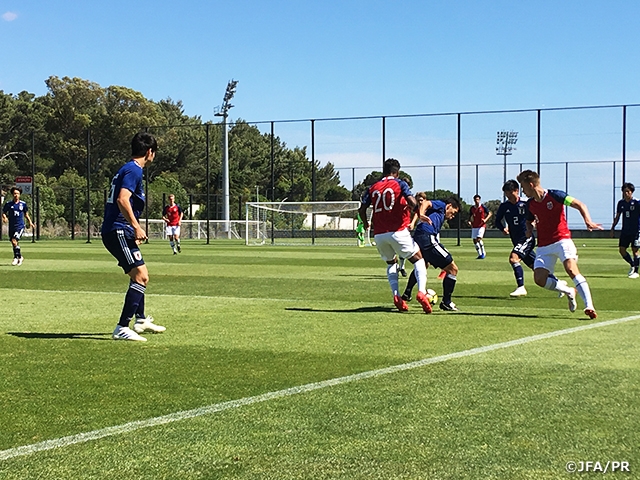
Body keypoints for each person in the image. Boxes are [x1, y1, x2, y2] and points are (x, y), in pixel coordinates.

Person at [101, 132, 166, 341]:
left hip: (120, 229)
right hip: (117, 229)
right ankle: (122, 327)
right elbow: (122, 199)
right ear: (149, 152)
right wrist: (135, 227)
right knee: (141, 276)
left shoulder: (127, 169)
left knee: (140, 275)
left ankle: (140, 319)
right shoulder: (134, 170)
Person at [516, 170, 602, 319]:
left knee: (571, 269)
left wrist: (588, 221)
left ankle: (589, 305)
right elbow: (529, 220)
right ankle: (569, 291)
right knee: (539, 279)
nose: (522, 190)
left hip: (562, 240)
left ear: (531, 184)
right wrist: (529, 229)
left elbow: (579, 204)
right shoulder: (530, 204)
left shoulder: (556, 195)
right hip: (544, 246)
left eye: (523, 187)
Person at [358, 158, 433, 314]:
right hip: (398, 231)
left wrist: (366, 224)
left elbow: (361, 209)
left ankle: (396, 295)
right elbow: (412, 202)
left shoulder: (373, 187)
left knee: (391, 263)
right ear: (397, 172)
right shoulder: (400, 184)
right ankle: (421, 291)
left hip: (379, 234)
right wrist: (419, 214)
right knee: (418, 259)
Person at [494, 180, 565, 297]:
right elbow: (497, 221)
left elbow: (536, 215)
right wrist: (503, 228)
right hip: (516, 240)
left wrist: (534, 226)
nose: (509, 197)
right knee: (536, 267)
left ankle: (521, 287)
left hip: (526, 238)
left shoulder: (526, 203)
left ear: (516, 191)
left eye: (510, 194)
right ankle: (560, 285)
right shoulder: (504, 206)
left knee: (513, 259)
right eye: (507, 195)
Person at [401, 195, 461, 311]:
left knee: (422, 265)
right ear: (449, 206)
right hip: (427, 237)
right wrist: (421, 214)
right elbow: (426, 203)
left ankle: (407, 294)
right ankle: (446, 302)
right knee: (453, 269)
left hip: (420, 236)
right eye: (453, 213)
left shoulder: (440, 215)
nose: (452, 216)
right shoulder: (442, 205)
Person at [610, 182, 640, 278]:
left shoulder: (637, 202)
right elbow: (617, 216)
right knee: (622, 250)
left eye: (628, 192)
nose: (626, 193)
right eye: (624, 192)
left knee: (635, 250)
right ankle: (632, 264)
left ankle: (636, 271)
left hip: (636, 230)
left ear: (632, 192)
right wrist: (613, 228)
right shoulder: (621, 203)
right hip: (625, 230)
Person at [2, 186, 35, 266]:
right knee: (14, 243)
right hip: (12, 226)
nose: (16, 195)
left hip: (20, 226)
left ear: (20, 194)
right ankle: (18, 257)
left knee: (14, 240)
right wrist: (5, 217)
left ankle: (17, 257)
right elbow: (3, 212)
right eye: (14, 193)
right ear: (12, 194)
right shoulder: (8, 204)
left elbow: (26, 214)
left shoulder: (23, 204)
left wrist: (30, 222)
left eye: (17, 193)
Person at [468, 194, 492, 259]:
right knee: (474, 240)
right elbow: (470, 216)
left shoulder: (483, 207)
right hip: (474, 226)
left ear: (479, 200)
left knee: (479, 239)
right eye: (476, 200)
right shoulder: (472, 208)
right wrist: (469, 221)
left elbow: (490, 213)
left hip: (481, 225)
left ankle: (483, 252)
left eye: (478, 199)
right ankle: (479, 254)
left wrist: (485, 220)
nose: (477, 201)